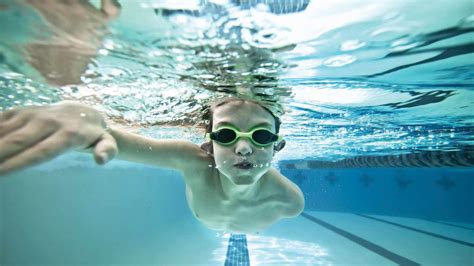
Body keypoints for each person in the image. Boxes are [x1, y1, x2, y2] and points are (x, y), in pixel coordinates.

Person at [0, 97, 304, 234]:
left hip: (250, 229)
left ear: (278, 146)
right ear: (208, 145)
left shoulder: (290, 201)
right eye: (226, 134)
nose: (244, 148)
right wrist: (85, 125)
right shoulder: (192, 162)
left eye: (262, 135)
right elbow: (117, 141)